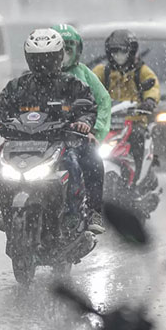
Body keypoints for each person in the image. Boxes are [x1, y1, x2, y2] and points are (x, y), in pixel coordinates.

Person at [0, 28, 103, 233]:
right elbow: (0, 108)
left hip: (63, 142)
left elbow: (88, 107)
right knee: (2, 156)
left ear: (59, 57)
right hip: (22, 143)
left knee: (89, 159)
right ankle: (6, 210)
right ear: (29, 59)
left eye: (48, 58)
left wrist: (83, 122)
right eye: (37, 59)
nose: (43, 64)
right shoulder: (17, 86)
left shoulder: (73, 84)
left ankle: (85, 212)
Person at [51, 23, 111, 232]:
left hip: (73, 138)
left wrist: (94, 130)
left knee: (92, 162)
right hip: (42, 137)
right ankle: (9, 209)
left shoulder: (83, 76)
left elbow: (102, 102)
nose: (65, 54)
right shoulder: (35, 78)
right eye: (61, 49)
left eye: (69, 48)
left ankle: (92, 211)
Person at [92, 29, 160, 181]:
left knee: (137, 139)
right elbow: (88, 86)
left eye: (123, 51)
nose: (118, 55)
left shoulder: (142, 71)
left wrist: (149, 101)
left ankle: (138, 179)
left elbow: (153, 87)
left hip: (133, 121)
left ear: (131, 52)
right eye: (115, 51)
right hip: (105, 122)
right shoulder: (102, 71)